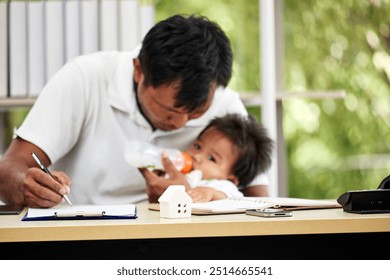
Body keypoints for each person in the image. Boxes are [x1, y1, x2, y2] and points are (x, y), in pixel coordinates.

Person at [0, 14, 270, 208]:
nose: (181, 123)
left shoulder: (225, 108)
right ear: (139, 71)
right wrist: (27, 183)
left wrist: (188, 198)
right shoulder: (85, 78)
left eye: (196, 113)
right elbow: (9, 168)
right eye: (169, 109)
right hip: (84, 233)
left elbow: (262, 204)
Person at [177, 113, 273, 202]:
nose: (197, 156)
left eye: (211, 159)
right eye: (197, 147)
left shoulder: (221, 185)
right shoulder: (177, 172)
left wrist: (212, 194)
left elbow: (234, 200)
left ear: (230, 179)